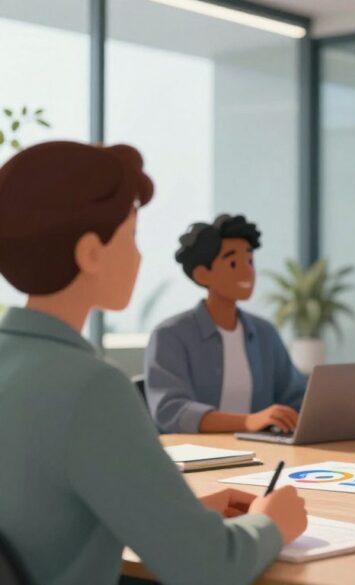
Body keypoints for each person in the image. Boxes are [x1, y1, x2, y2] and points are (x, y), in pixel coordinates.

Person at [0, 141, 307, 585]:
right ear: (90, 253)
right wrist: (272, 522)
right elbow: (208, 567)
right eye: (131, 235)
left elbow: (45, 513)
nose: (140, 255)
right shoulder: (92, 388)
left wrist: (178, 515)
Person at [145, 215, 307, 434]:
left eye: (250, 261)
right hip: (197, 457)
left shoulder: (265, 333)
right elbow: (171, 411)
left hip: (265, 452)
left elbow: (295, 396)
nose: (247, 271)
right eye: (233, 263)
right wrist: (249, 422)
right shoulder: (170, 335)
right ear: (202, 274)